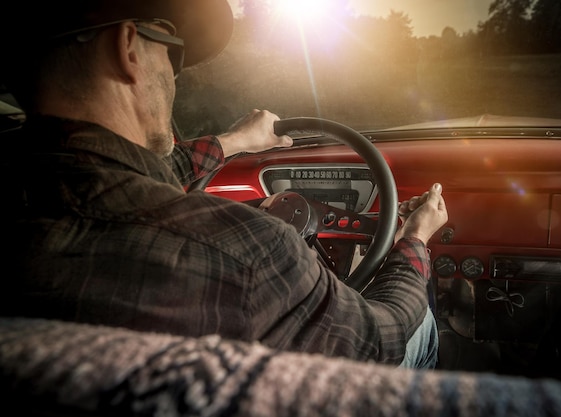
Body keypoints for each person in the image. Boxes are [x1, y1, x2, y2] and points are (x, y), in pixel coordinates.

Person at [1, 0, 448, 368]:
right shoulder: (250, 251)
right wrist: (414, 239)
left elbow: (114, 177)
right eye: (172, 52)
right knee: (421, 324)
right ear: (130, 47)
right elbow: (378, 336)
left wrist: (235, 142)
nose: (174, 76)